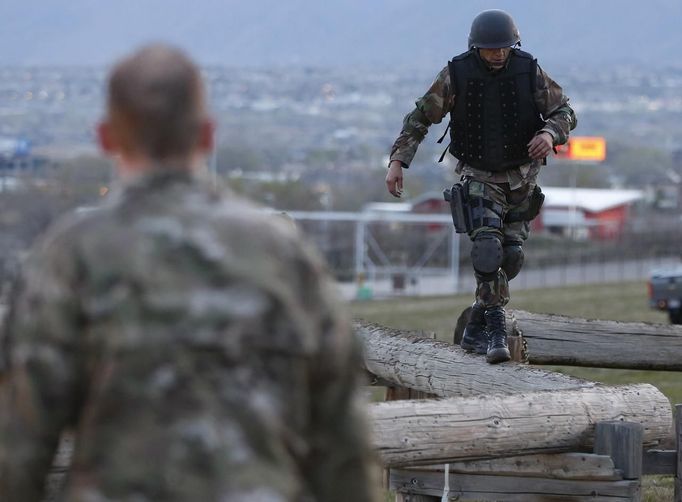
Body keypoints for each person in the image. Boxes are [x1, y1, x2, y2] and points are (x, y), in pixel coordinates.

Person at [0, 44, 378, 502]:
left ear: (105, 137)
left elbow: (17, 445)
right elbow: (342, 442)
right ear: (207, 134)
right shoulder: (281, 252)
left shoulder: (70, 256)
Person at [386, 10, 577, 364]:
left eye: (504, 47)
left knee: (511, 258)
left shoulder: (529, 70)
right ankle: (495, 329)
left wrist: (549, 134)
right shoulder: (456, 75)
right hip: (478, 175)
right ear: (476, 48)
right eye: (491, 49)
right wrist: (398, 161)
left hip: (522, 177)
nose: (498, 54)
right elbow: (419, 118)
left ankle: (477, 315)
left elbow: (564, 112)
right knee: (487, 249)